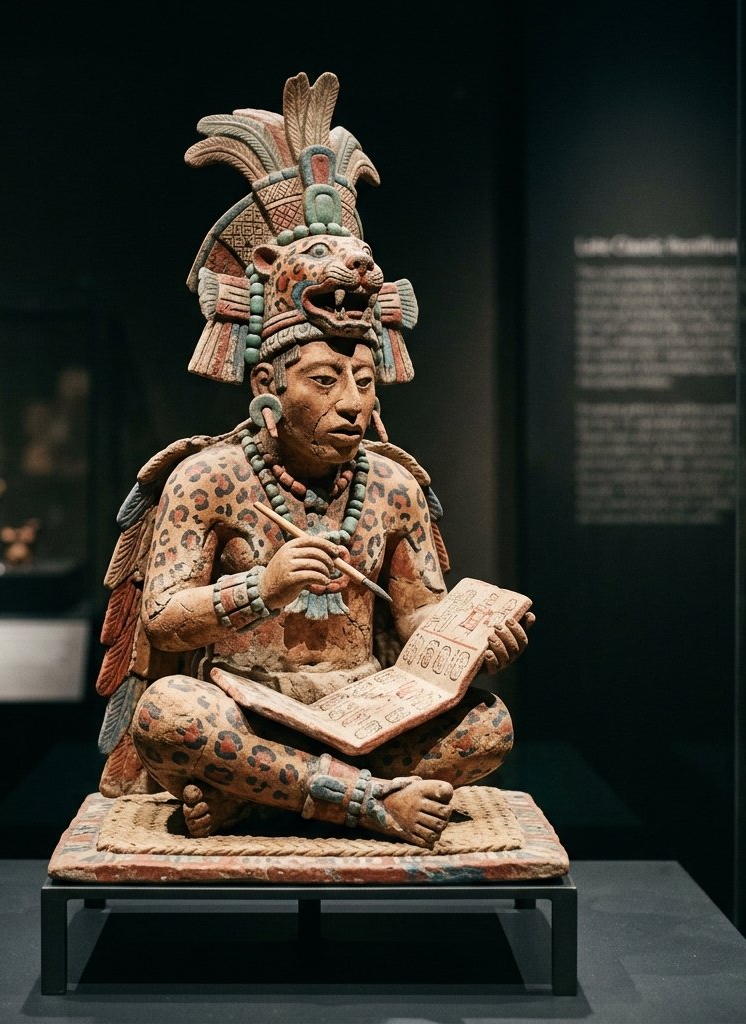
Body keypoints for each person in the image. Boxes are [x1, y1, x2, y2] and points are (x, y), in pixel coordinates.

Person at [94, 72, 533, 850]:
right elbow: (163, 618)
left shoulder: (391, 484)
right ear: (267, 386)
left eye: (363, 381)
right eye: (326, 381)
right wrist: (262, 588)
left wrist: (468, 644)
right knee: (169, 715)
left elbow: (417, 616)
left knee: (488, 725)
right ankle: (367, 804)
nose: (354, 403)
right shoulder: (209, 480)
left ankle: (261, 798)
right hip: (246, 708)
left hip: (367, 709)